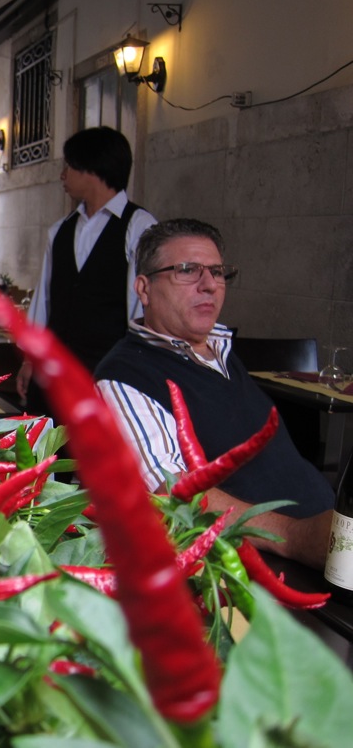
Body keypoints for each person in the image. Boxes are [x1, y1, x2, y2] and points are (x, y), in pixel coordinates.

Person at [95, 218, 333, 569]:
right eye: (187, 270)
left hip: (328, 531)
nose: (209, 285)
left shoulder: (220, 350)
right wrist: (295, 535)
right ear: (144, 289)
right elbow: (173, 494)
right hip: (271, 563)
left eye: (217, 272)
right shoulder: (123, 377)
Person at [18, 127, 157, 411]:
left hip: (105, 376)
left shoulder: (139, 226)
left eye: (69, 166)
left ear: (92, 168)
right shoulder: (61, 229)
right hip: (53, 377)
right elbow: (44, 302)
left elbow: (142, 311)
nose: (63, 175)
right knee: (44, 438)